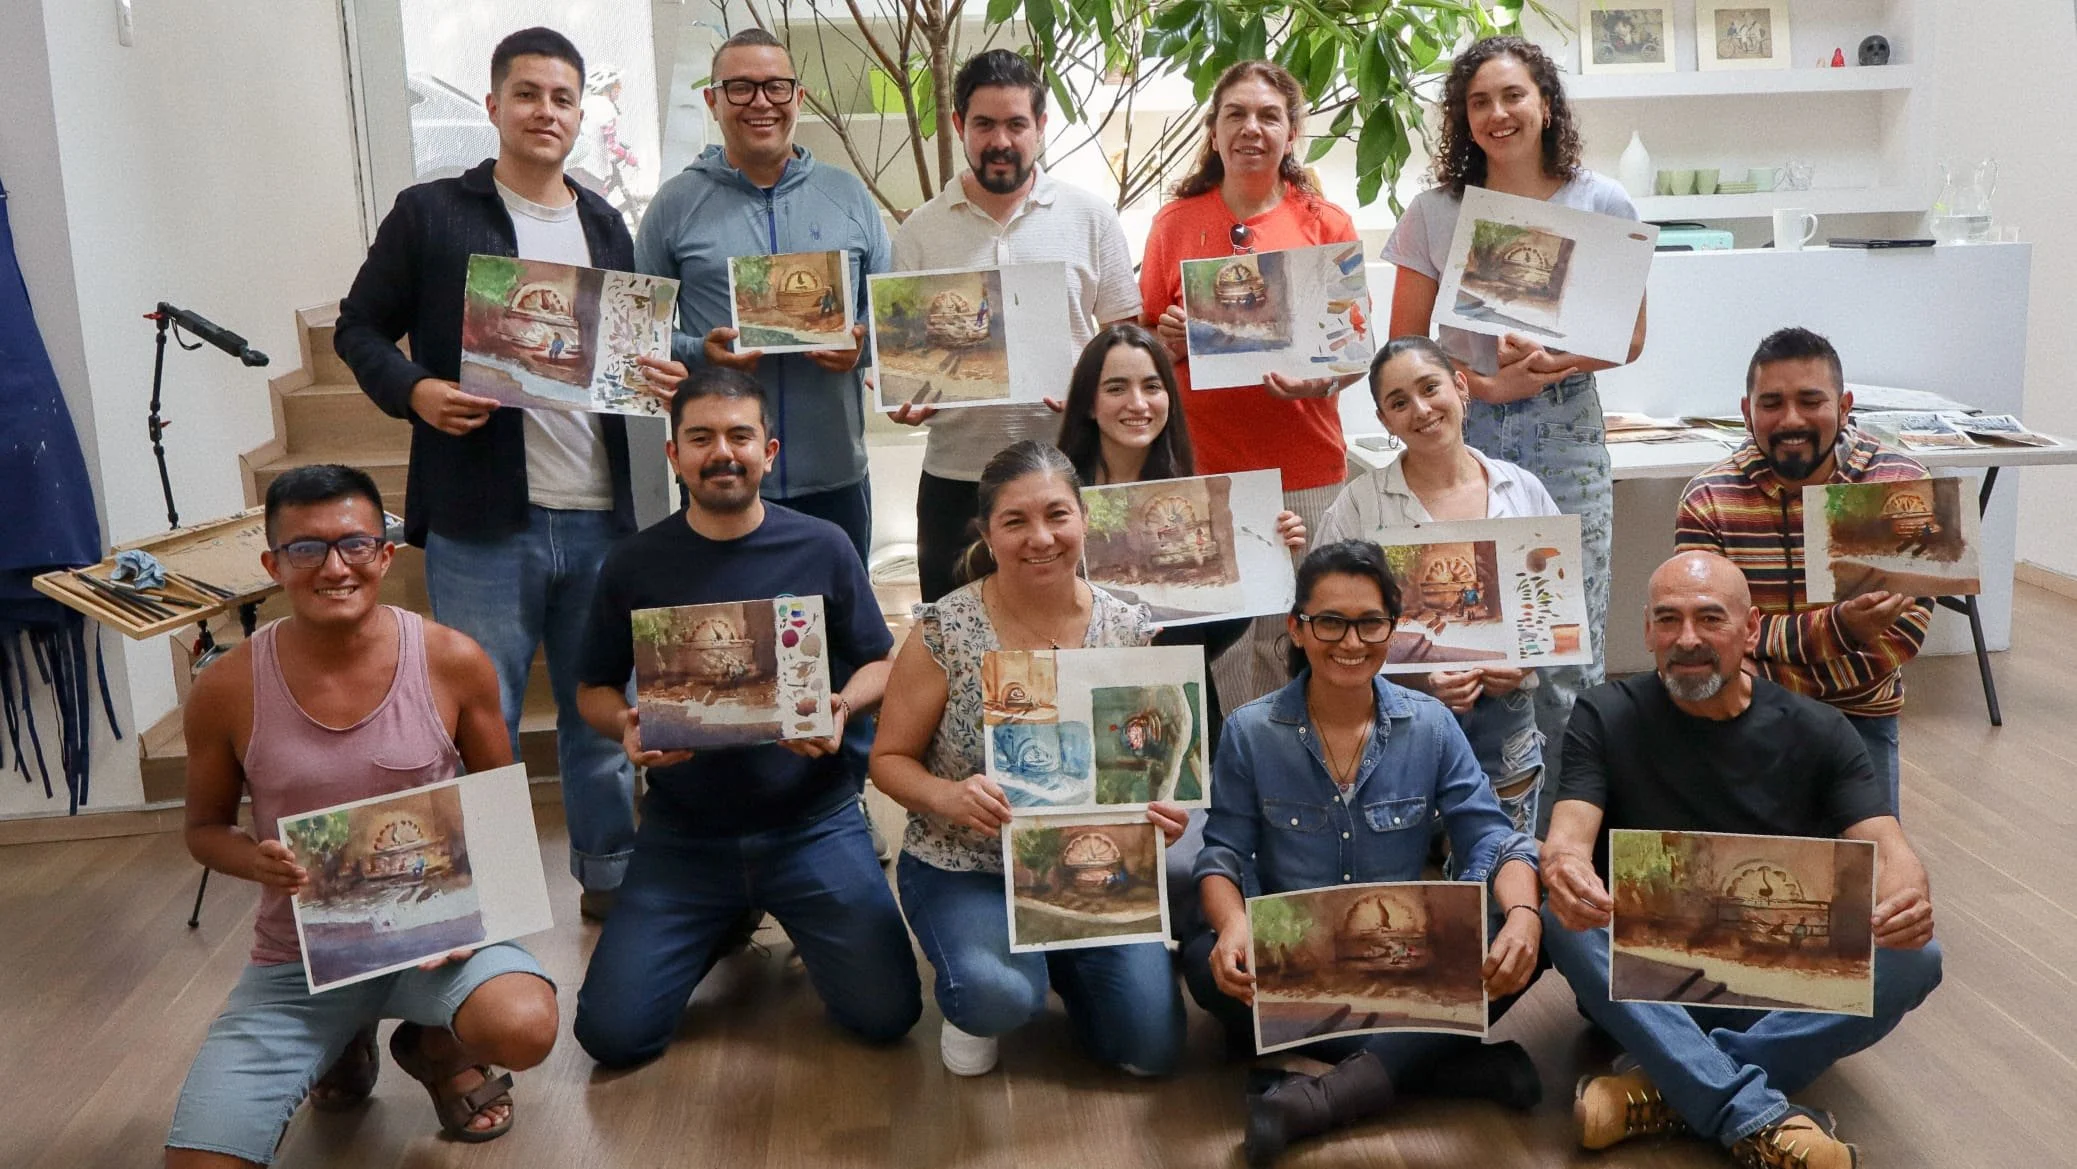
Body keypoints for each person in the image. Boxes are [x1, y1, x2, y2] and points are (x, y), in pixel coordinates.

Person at [335, 27, 682, 921]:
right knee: (474, 717)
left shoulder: (605, 222)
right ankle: (484, 900)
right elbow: (358, 328)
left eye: (562, 98)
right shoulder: (431, 214)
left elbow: (623, 354)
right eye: (527, 94)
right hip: (480, 518)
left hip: (602, 513)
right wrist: (414, 390)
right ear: (493, 106)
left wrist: (657, 369)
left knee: (598, 711)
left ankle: (610, 878)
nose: (545, 112)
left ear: (579, 114)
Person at [167, 465, 558, 1168]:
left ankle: (436, 1046)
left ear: (385, 554)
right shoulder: (225, 686)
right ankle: (341, 1037)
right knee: (200, 1162)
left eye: (354, 544)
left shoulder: (452, 659)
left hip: (437, 936)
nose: (334, 567)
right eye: (306, 549)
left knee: (524, 1025)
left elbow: (500, 812)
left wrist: (475, 919)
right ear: (273, 565)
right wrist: (252, 858)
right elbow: (203, 830)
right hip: (300, 957)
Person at [1540, 551, 1940, 1168]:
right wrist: (1566, 869)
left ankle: (1667, 1089)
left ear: (1751, 629)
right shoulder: (1605, 713)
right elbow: (1567, 837)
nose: (1687, 639)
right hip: (1648, 986)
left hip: (1779, 988)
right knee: (1560, 916)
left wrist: (1906, 898)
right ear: (1646, 630)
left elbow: (1892, 850)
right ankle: (1749, 1110)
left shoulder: (1821, 730)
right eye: (1668, 620)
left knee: (1916, 957)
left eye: (1710, 619)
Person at [569, 367, 921, 1068]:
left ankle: (743, 912)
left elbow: (883, 663)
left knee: (887, 1015)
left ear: (769, 450)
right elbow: (591, 689)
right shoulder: (634, 562)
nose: (722, 453)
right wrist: (626, 727)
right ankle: (722, 917)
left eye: (739, 436)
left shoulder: (822, 545)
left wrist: (843, 703)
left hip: (811, 822)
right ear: (674, 454)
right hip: (684, 833)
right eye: (700, 438)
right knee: (612, 1036)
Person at [1383, 36, 1648, 809]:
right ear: (1461, 119)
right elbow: (1406, 347)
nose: (1497, 114)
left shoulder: (1601, 202)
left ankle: (1564, 830)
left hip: (1567, 435)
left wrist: (1555, 363)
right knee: (1459, 631)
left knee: (1562, 642)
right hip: (1464, 436)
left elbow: (1629, 337)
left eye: (1512, 96)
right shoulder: (1435, 212)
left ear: (1545, 104)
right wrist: (1487, 386)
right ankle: (1469, 826)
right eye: (1478, 102)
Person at [869, 441, 1189, 1079]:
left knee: (1150, 1051)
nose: (1040, 538)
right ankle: (990, 987)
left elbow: (1148, 763)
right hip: (966, 863)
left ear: (1084, 520)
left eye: (1057, 515)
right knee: (997, 996)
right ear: (987, 533)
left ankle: (1058, 957)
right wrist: (946, 796)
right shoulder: (946, 629)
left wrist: (1164, 812)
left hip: (1094, 868)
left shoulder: (1128, 629)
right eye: (1015, 521)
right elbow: (888, 759)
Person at [1053, 323, 1304, 935]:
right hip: (1071, 716)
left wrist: (1265, 562)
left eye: (1152, 386)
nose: (1138, 404)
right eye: (1116, 388)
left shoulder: (1199, 493)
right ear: (1088, 402)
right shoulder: (1054, 498)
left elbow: (1214, 637)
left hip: (1176, 711)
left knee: (1195, 879)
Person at [1138, 59, 1364, 711]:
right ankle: (1238, 773)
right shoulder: (1175, 223)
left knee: (1307, 637)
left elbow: (1352, 355)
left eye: (1269, 115)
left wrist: (1315, 381)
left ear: (1291, 133)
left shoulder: (1326, 224)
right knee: (1223, 651)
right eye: (1235, 114)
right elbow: (1141, 340)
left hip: (1307, 471)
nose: (1251, 128)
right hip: (1203, 471)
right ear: (1213, 132)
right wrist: (1167, 339)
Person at [886, 48, 1143, 602]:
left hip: (1070, 474)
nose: (1000, 140)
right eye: (984, 124)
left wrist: (1090, 391)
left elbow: (1126, 345)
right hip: (956, 480)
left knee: (1076, 635)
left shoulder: (1091, 217)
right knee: (954, 638)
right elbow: (903, 356)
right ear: (959, 125)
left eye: (1016, 124)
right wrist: (898, 393)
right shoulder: (919, 232)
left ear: (1041, 127)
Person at [636, 27, 885, 561]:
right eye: (740, 88)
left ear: (799, 96)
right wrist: (700, 352)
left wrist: (861, 344)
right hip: (719, 476)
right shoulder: (673, 205)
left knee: (837, 615)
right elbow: (635, 336)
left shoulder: (848, 196)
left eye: (775, 86)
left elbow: (890, 316)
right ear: (713, 101)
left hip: (835, 476)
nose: (760, 102)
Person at [1676, 327, 1932, 810]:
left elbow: (1899, 639)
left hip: (1860, 717)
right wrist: (1844, 629)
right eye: (1772, 403)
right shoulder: (1709, 499)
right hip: (1746, 719)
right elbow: (1707, 637)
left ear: (1845, 406)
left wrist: (1758, 660)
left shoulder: (1895, 484)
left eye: (1811, 401)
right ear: (1747, 411)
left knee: (1869, 856)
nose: (1791, 419)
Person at [1317, 337, 1559, 834]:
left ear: (1461, 387)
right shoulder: (1360, 506)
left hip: (1507, 725)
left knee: (1502, 860)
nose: (1421, 410)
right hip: (1394, 723)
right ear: (1384, 420)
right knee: (1412, 870)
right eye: (1399, 402)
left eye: (1430, 388)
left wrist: (1524, 662)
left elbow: (1557, 610)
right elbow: (1325, 625)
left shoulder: (1522, 490)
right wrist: (1419, 680)